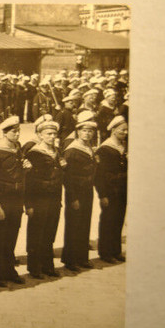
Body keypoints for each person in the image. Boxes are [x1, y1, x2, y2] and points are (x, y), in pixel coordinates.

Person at [0, 116, 31, 287]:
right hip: (2, 201)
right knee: (0, 238)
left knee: (11, 237)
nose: (18, 134)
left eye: (19, 131)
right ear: (4, 133)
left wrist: (26, 167)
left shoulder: (16, 147)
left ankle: (9, 270)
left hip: (16, 201)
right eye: (14, 131)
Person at [24, 120, 64, 279]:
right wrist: (29, 204)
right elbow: (28, 181)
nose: (52, 136)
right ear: (40, 135)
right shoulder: (34, 153)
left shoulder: (56, 151)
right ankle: (34, 268)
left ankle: (48, 265)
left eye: (54, 134)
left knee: (49, 233)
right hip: (39, 200)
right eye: (48, 134)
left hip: (54, 200)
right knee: (36, 233)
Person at [61, 112, 98, 271]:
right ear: (78, 132)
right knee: (73, 226)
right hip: (75, 192)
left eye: (90, 131)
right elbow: (68, 177)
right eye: (84, 130)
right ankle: (70, 260)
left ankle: (82, 257)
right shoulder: (72, 150)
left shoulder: (88, 147)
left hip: (87, 191)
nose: (87, 133)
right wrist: (73, 197)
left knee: (84, 224)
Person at [94, 116, 128, 263]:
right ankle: (106, 252)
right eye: (122, 130)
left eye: (126, 130)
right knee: (109, 221)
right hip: (110, 191)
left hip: (122, 191)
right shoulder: (105, 149)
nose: (125, 132)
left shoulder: (123, 146)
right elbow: (100, 175)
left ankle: (116, 250)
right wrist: (103, 194)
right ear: (113, 130)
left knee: (119, 220)